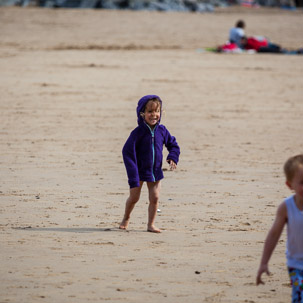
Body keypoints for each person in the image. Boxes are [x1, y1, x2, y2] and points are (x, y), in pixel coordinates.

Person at [119, 95, 180, 233]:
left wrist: (173, 157)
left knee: (155, 197)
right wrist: (133, 174)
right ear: (142, 114)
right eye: (150, 112)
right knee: (134, 197)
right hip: (139, 171)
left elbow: (173, 145)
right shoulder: (137, 133)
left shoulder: (162, 131)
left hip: (155, 171)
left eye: (157, 111)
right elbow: (127, 152)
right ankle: (126, 217)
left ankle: (150, 224)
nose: (154, 115)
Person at [256, 154, 303, 302]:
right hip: (297, 265)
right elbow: (274, 234)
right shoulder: (286, 207)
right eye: (302, 182)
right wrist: (264, 262)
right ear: (290, 185)